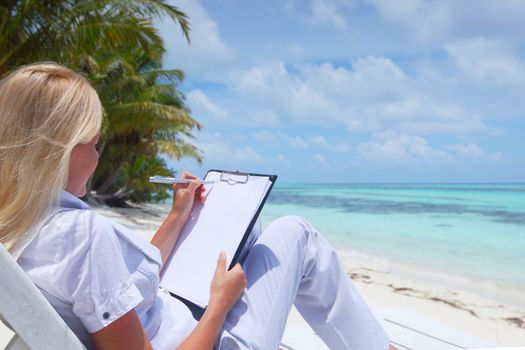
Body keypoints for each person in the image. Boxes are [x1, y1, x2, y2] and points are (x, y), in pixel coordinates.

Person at [0, 63, 394, 350]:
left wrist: (177, 216)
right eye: (95, 144)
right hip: (202, 338)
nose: (99, 156)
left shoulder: (24, 224)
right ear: (59, 151)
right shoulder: (82, 236)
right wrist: (220, 304)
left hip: (176, 318)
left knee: (249, 232)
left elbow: (116, 284)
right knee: (297, 234)